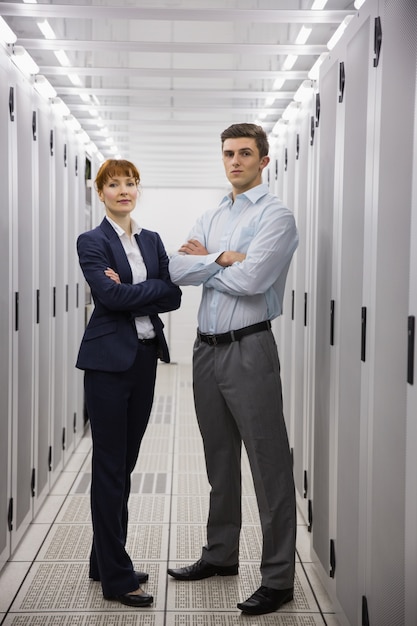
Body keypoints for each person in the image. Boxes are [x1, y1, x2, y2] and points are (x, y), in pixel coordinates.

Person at [167, 123, 298, 616]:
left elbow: (254, 280)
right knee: (219, 460)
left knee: (268, 465)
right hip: (206, 351)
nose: (235, 161)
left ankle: (278, 578)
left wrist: (211, 265)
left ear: (264, 160)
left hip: (249, 349)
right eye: (228, 153)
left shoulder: (276, 217)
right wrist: (225, 258)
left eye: (245, 153)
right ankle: (220, 555)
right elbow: (176, 269)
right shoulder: (212, 213)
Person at [76, 158, 181, 608]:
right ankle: (118, 578)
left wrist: (139, 289)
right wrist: (149, 287)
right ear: (100, 193)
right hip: (106, 364)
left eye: (131, 183)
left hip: (143, 359)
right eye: (114, 184)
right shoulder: (92, 240)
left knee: (126, 463)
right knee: (110, 467)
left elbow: (173, 296)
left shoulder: (152, 240)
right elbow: (110, 295)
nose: (124, 190)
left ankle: (104, 561)